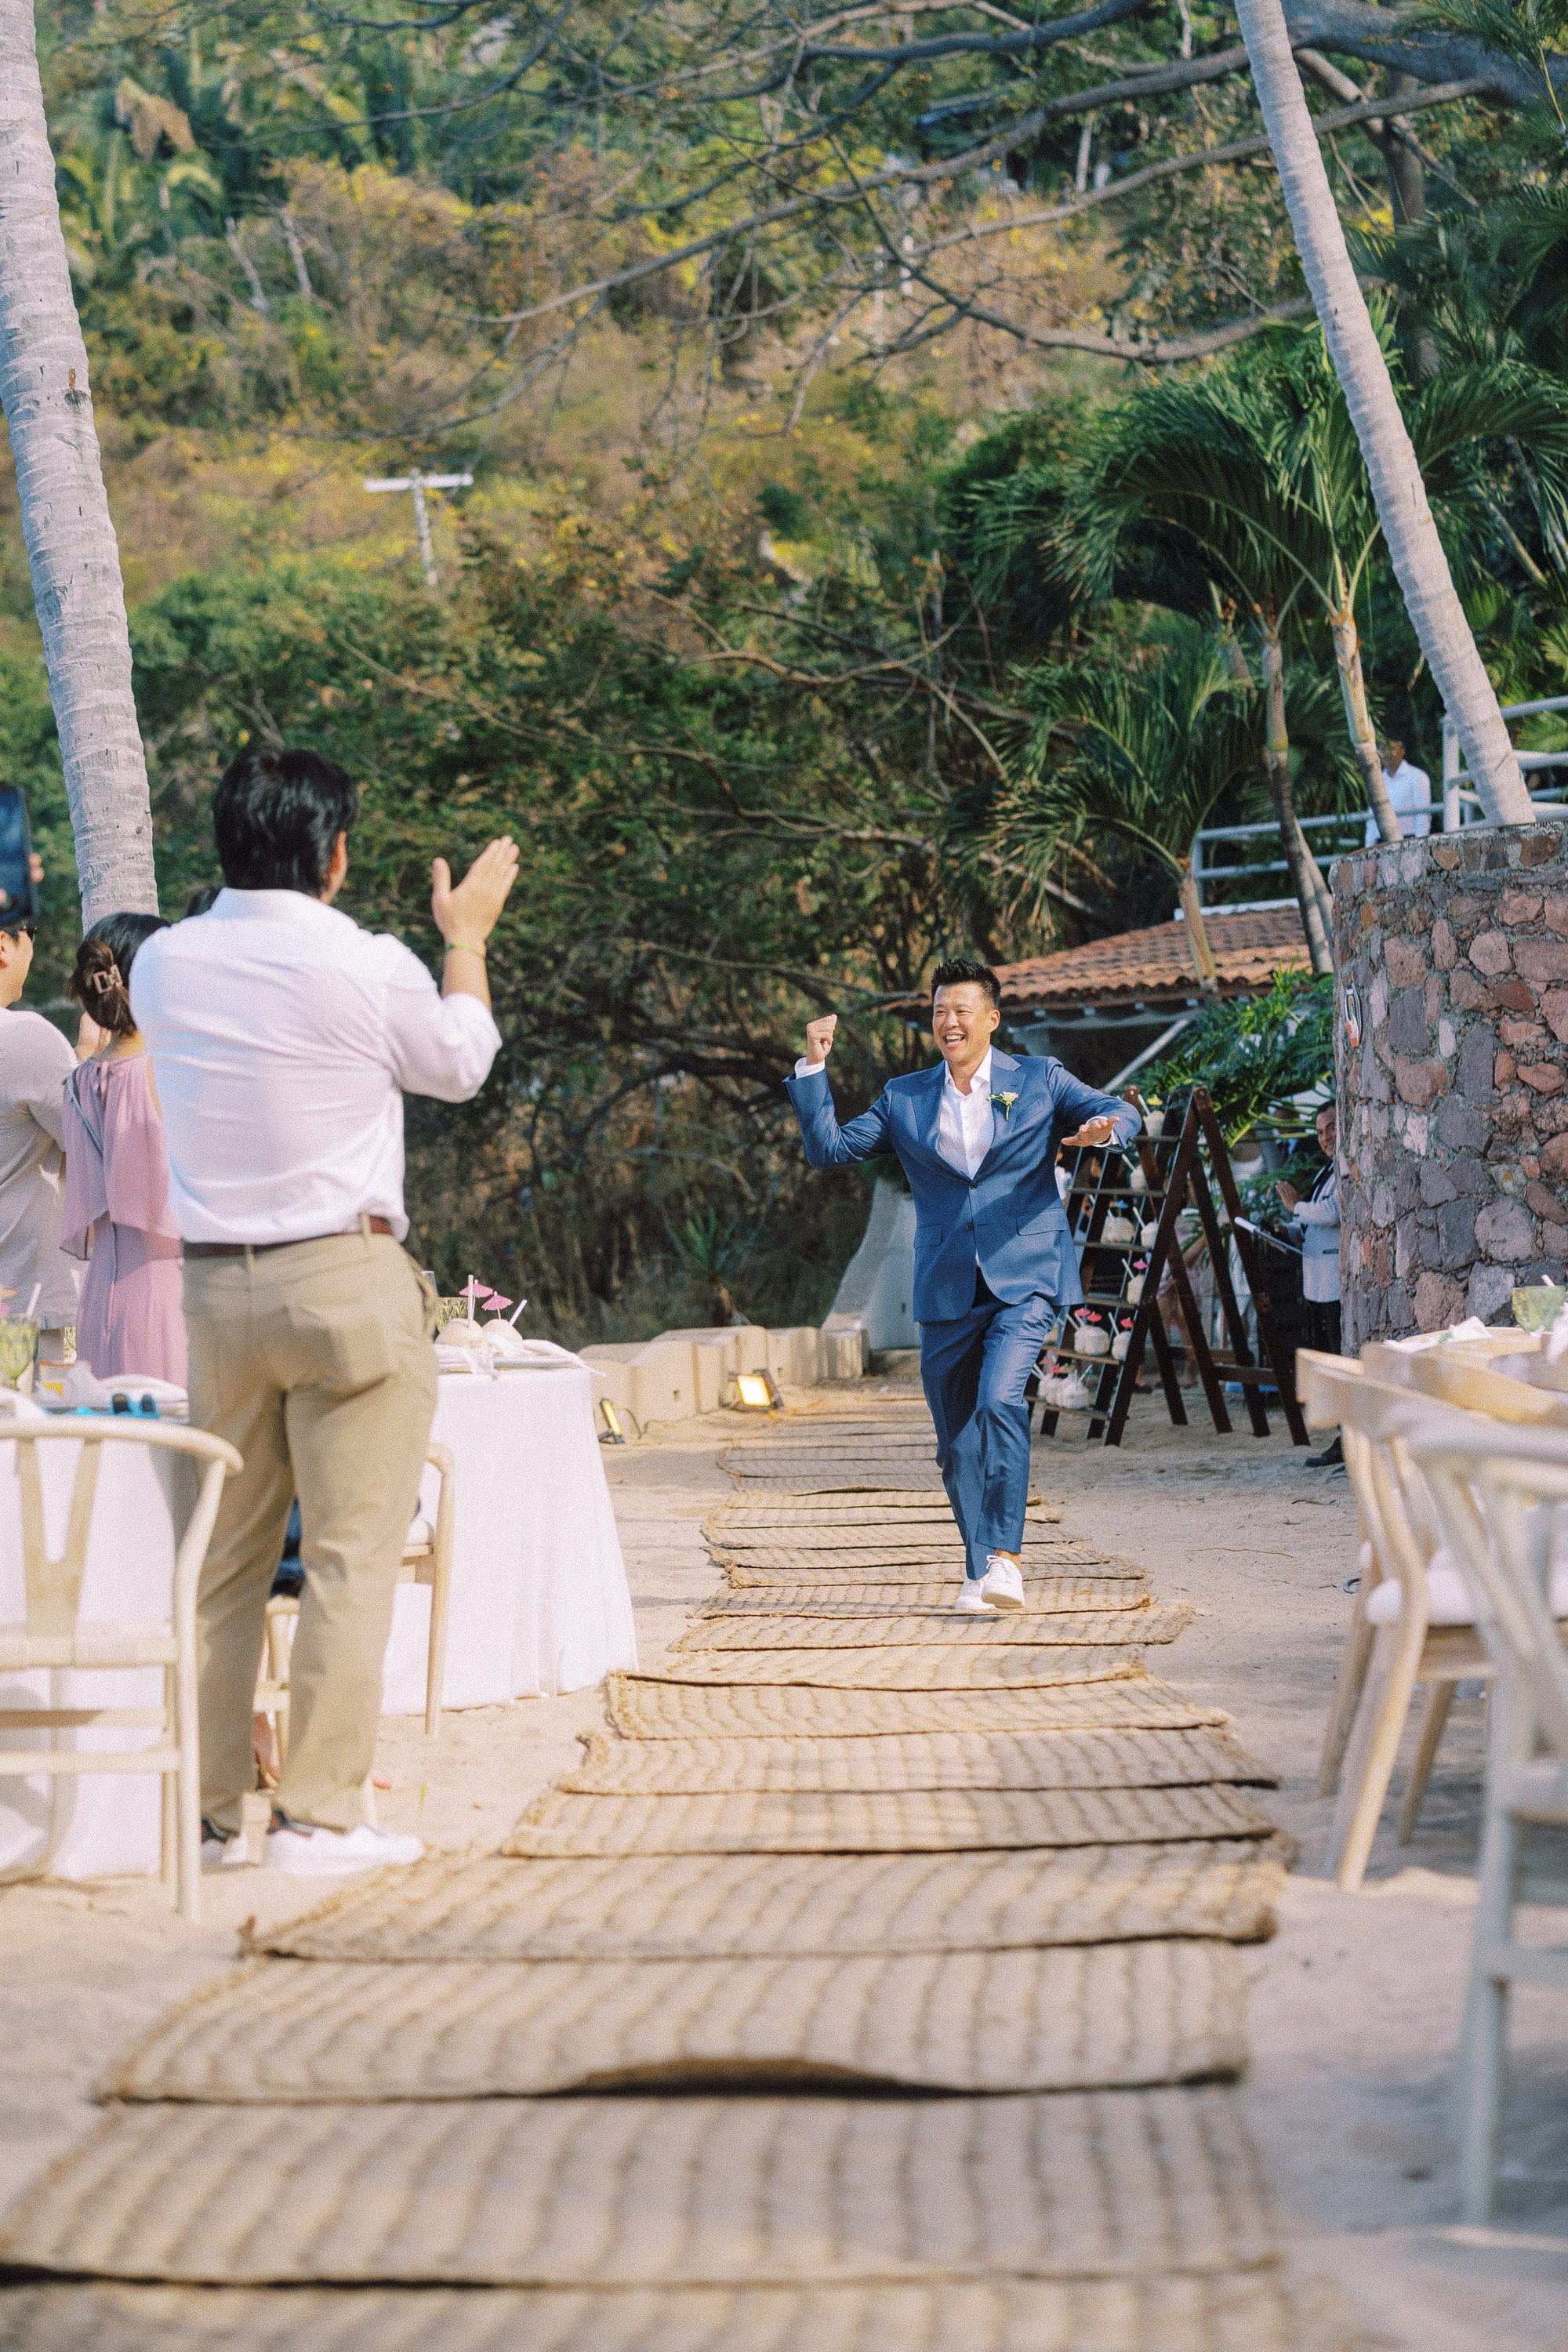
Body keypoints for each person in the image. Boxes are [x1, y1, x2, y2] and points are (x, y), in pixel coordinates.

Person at [131, 745, 517, 1878]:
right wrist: (467, 939)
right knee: (349, 1559)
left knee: (224, 1565)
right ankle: (316, 1816)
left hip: (213, 1292)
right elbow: (461, 1063)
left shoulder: (162, 966)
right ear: (335, 856)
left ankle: (207, 1820)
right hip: (343, 1279)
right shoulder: (368, 963)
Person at [786, 958, 1140, 1613]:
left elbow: (1114, 1106)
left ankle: (1007, 1560)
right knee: (954, 1445)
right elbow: (829, 1148)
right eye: (940, 1011)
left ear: (992, 1020)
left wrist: (1109, 1127)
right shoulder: (906, 1096)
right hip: (947, 1286)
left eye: (962, 1010)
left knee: (1000, 1399)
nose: (949, 1022)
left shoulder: (1037, 1079)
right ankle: (978, 1568)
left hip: (1025, 1277)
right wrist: (814, 1067)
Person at [60, 914, 187, 1385]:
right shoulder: (167, 1071)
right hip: (169, 1298)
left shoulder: (77, 1083)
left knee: (111, 1452)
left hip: (97, 1304)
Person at [0, 913, 80, 1371]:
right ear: (4, 945)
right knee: (42, 1439)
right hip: (24, 1313)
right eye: (33, 930)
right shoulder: (24, 1038)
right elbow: (93, 1139)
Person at [1277, 1101, 1342, 1465]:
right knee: (1327, 1356)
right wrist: (1288, 1227)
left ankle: (1345, 1439)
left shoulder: (1346, 1167)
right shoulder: (1327, 1172)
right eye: (1319, 1132)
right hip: (1318, 1280)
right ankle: (1339, 1436)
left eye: (1331, 1127)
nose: (1325, 1138)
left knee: (1337, 1357)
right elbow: (1316, 1219)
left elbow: (1333, 1213)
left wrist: (1295, 1206)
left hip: (1333, 1281)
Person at [1363, 739, 1432, 847]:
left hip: (1409, 840)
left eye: (1391, 748)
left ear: (1402, 750)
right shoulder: (1377, 780)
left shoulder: (1418, 776)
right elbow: (1372, 819)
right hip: (1380, 843)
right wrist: (1369, 846)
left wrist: (1420, 846)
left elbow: (1423, 816)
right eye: (1382, 749)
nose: (1386, 753)